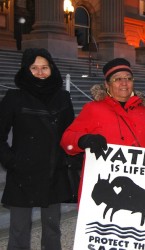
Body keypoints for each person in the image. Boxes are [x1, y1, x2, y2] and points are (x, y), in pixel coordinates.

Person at [59, 58, 145, 249]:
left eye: (128, 78)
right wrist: (83, 140)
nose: (124, 83)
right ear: (107, 84)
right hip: (110, 187)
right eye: (117, 79)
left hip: (141, 185)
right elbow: (67, 139)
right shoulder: (93, 110)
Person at [0, 48, 75, 250]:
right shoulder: (14, 97)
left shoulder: (62, 97)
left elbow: (70, 132)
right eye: (34, 68)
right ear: (26, 70)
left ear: (52, 68)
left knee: (52, 227)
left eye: (44, 67)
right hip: (22, 172)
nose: (40, 72)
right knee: (19, 229)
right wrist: (10, 160)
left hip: (53, 170)